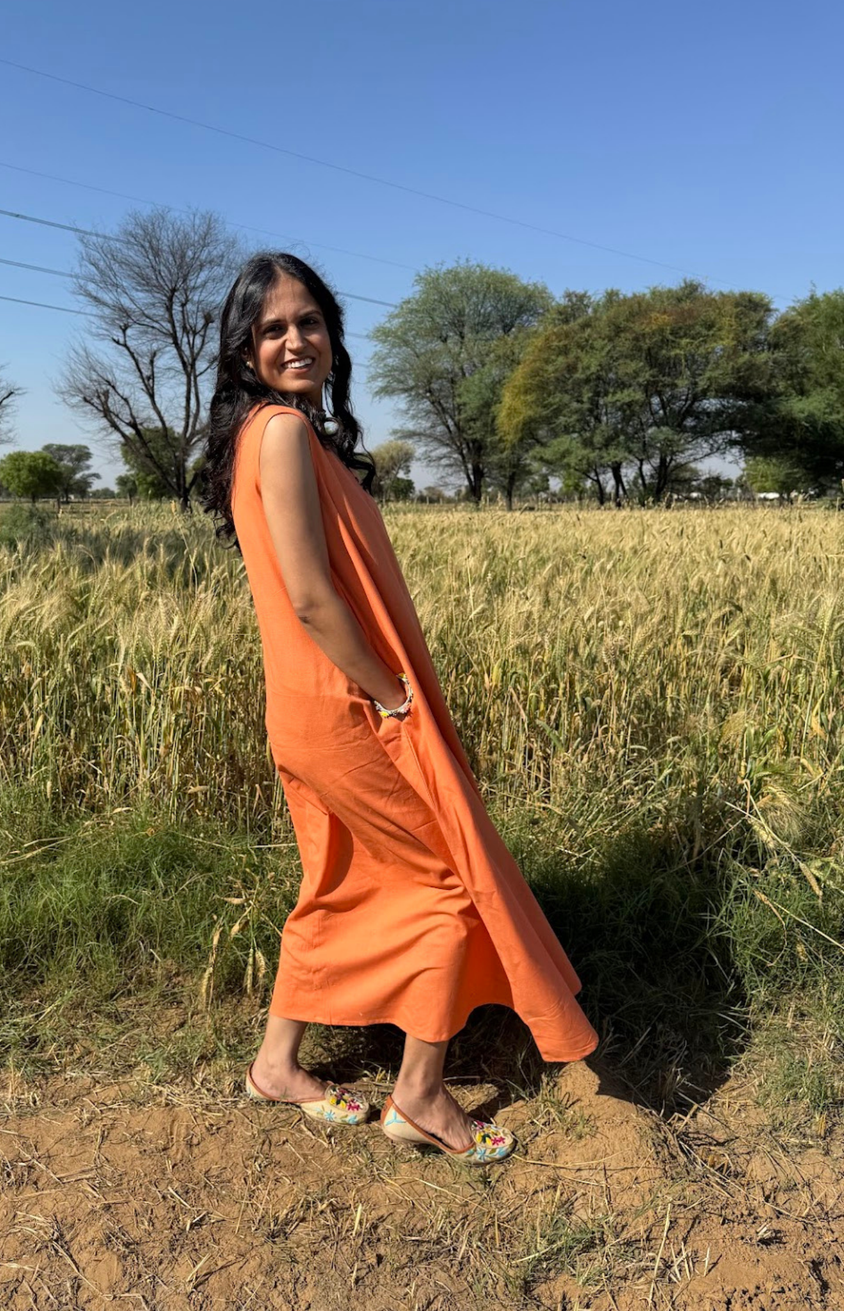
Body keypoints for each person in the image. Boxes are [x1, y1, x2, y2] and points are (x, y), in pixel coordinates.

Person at [201, 252, 598, 1165]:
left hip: (299, 702)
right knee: (447, 880)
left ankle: (277, 1064)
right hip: (343, 703)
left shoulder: (260, 435)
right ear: (246, 349)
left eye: (309, 321)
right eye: (273, 328)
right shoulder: (286, 436)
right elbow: (309, 593)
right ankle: (420, 1097)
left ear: (333, 334)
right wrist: (392, 692)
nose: (296, 338)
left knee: (337, 877)